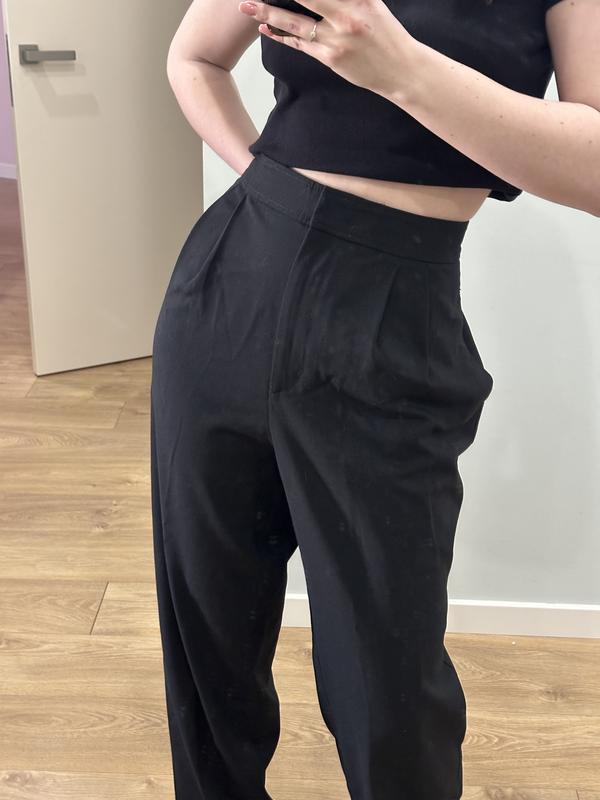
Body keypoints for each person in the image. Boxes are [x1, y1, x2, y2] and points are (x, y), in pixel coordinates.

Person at [150, 2, 597, 799]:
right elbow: (194, 58)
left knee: (391, 685)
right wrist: (262, 182)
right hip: (232, 280)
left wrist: (401, 68)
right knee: (208, 639)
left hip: (396, 313)